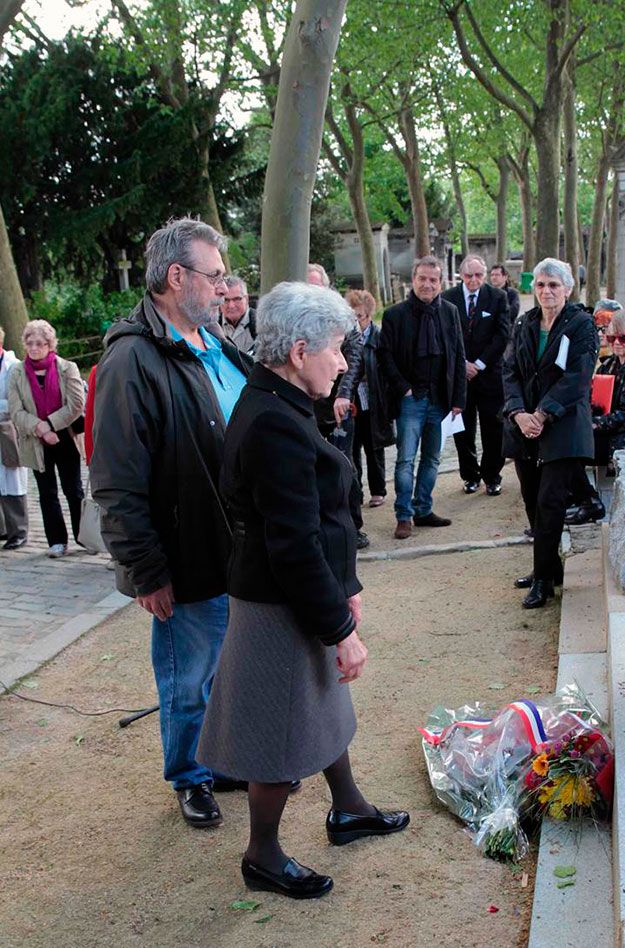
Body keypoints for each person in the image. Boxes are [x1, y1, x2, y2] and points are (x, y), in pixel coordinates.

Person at [197, 281, 409, 899]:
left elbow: (319, 518)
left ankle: (348, 808)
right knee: (279, 734)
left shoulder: (282, 402)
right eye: (336, 349)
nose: (342, 363)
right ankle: (262, 855)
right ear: (298, 351)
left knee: (322, 705)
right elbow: (292, 544)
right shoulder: (272, 422)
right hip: (276, 605)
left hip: (298, 594)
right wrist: (341, 630)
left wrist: (345, 588)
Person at [90, 217, 251, 829]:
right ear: (176, 277)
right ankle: (190, 774)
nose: (224, 287)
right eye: (215, 275)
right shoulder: (133, 357)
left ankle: (218, 759)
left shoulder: (214, 342)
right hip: (187, 555)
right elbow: (116, 479)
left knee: (228, 668)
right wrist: (147, 570)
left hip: (238, 545)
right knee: (189, 675)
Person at [503, 258, 598, 608]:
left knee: (550, 501)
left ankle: (543, 581)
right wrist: (518, 413)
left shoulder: (582, 324)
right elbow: (509, 370)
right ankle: (548, 566)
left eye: (554, 285)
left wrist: (542, 414)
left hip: (563, 426)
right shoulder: (525, 323)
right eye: (541, 285)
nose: (546, 291)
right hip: (524, 425)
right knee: (531, 498)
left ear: (568, 289)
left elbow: (578, 377)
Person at [379, 255, 466, 539]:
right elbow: (385, 357)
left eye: (433, 280)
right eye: (422, 279)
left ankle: (423, 509)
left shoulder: (450, 312)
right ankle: (403, 515)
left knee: (432, 459)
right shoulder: (394, 315)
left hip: (441, 399)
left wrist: (458, 399)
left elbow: (458, 355)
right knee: (405, 460)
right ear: (413, 280)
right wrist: (403, 388)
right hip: (410, 399)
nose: (427, 285)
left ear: (441, 283)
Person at [566, 308, 625, 525]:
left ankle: (588, 501)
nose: (616, 343)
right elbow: (593, 401)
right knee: (563, 442)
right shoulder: (608, 366)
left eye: (623, 338)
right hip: (606, 431)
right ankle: (581, 498)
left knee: (572, 447)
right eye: (611, 337)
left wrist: (591, 425)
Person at [8, 320, 84, 558]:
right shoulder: (17, 372)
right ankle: (57, 541)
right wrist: (40, 428)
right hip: (35, 439)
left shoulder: (67, 368)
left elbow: (76, 404)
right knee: (46, 492)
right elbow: (16, 411)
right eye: (29, 343)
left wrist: (51, 424)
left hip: (65, 436)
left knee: (74, 490)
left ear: (50, 345)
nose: (33, 348)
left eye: (39, 343)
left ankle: (83, 536)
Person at [309, 266, 369, 549]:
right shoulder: (296, 317)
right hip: (309, 406)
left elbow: (355, 357)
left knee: (344, 465)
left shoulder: (343, 316)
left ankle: (352, 526)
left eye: (316, 286)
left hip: (338, 406)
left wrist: (344, 394)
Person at [443, 254, 510, 496]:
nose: (473, 280)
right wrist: (463, 365)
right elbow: (445, 336)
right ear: (461, 275)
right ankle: (470, 476)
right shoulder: (447, 298)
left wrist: (479, 364)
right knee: (463, 429)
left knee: (494, 427)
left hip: (490, 373)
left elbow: (502, 334)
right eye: (469, 275)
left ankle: (492, 475)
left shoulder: (498, 297)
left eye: (478, 275)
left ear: (485, 275)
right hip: (460, 376)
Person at [347, 289, 393, 509]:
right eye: (353, 317)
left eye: (360, 316)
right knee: (352, 449)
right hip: (352, 401)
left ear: (369, 315)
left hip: (374, 400)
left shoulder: (379, 337)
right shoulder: (345, 338)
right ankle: (355, 492)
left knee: (374, 447)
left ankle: (378, 490)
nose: (357, 322)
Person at [0, 325, 28, 550]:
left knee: (12, 479)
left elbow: (18, 401)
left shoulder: (13, 366)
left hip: (8, 429)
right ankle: (2, 528)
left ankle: (18, 531)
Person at [219, 275, 256, 353]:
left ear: (246, 299)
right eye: (226, 300)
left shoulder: (261, 325)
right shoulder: (210, 326)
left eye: (237, 299)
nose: (231, 306)